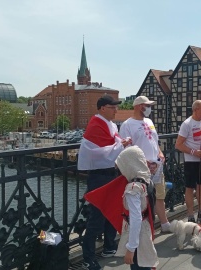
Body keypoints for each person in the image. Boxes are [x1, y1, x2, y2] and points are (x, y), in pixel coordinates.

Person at [78, 95, 132, 270]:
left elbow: (111, 145)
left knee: (111, 212)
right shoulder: (96, 124)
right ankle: (88, 257)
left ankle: (109, 247)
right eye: (113, 107)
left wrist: (121, 143)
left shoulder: (107, 123)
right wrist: (121, 145)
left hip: (109, 174)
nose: (116, 110)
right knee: (97, 216)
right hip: (99, 175)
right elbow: (99, 152)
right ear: (102, 108)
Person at [119, 96, 171, 233]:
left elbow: (154, 141)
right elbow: (127, 150)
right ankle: (146, 229)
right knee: (144, 199)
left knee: (159, 195)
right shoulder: (127, 125)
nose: (149, 108)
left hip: (157, 165)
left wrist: (160, 153)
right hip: (141, 169)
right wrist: (144, 162)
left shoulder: (149, 121)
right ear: (137, 106)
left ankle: (164, 224)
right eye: (146, 105)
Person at [115, 146, 159, 270]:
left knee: (139, 266)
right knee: (146, 263)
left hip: (138, 236)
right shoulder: (147, 181)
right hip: (146, 230)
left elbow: (135, 218)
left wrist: (131, 248)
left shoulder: (132, 188)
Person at [175, 100, 201, 223]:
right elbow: (178, 145)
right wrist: (193, 152)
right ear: (196, 109)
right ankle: (190, 216)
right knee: (190, 187)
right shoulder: (187, 124)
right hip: (191, 161)